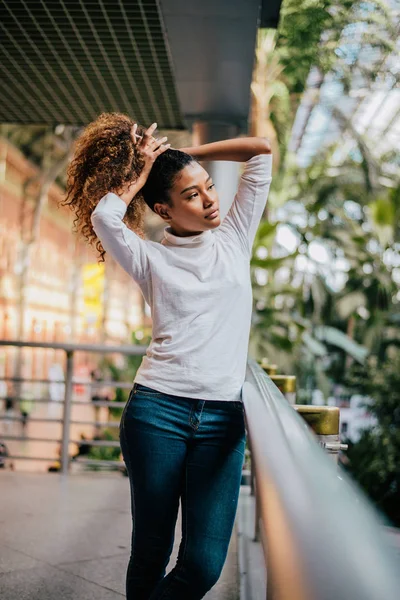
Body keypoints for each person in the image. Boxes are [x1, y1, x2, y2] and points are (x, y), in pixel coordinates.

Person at [64, 113, 272, 600]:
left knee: (202, 565)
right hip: (157, 411)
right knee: (151, 548)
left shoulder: (235, 238)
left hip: (223, 417)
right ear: (162, 208)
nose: (210, 199)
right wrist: (141, 173)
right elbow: (103, 217)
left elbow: (260, 149)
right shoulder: (148, 258)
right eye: (192, 195)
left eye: (207, 188)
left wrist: (187, 157)